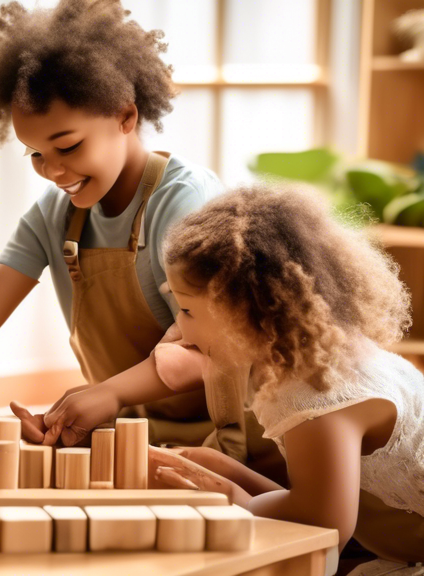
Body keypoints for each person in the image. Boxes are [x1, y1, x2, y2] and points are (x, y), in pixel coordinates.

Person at [0, 0, 243, 460]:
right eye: (35, 154)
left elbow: (208, 343)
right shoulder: (57, 214)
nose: (54, 171)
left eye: (68, 146)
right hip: (140, 435)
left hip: (226, 435)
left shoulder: (183, 203)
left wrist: (109, 394)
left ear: (126, 117)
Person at [142, 185, 422, 568]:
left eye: (188, 310)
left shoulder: (320, 397)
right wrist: (222, 468)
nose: (180, 328)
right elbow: (311, 500)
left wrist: (227, 497)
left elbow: (324, 530)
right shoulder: (320, 355)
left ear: (246, 310)